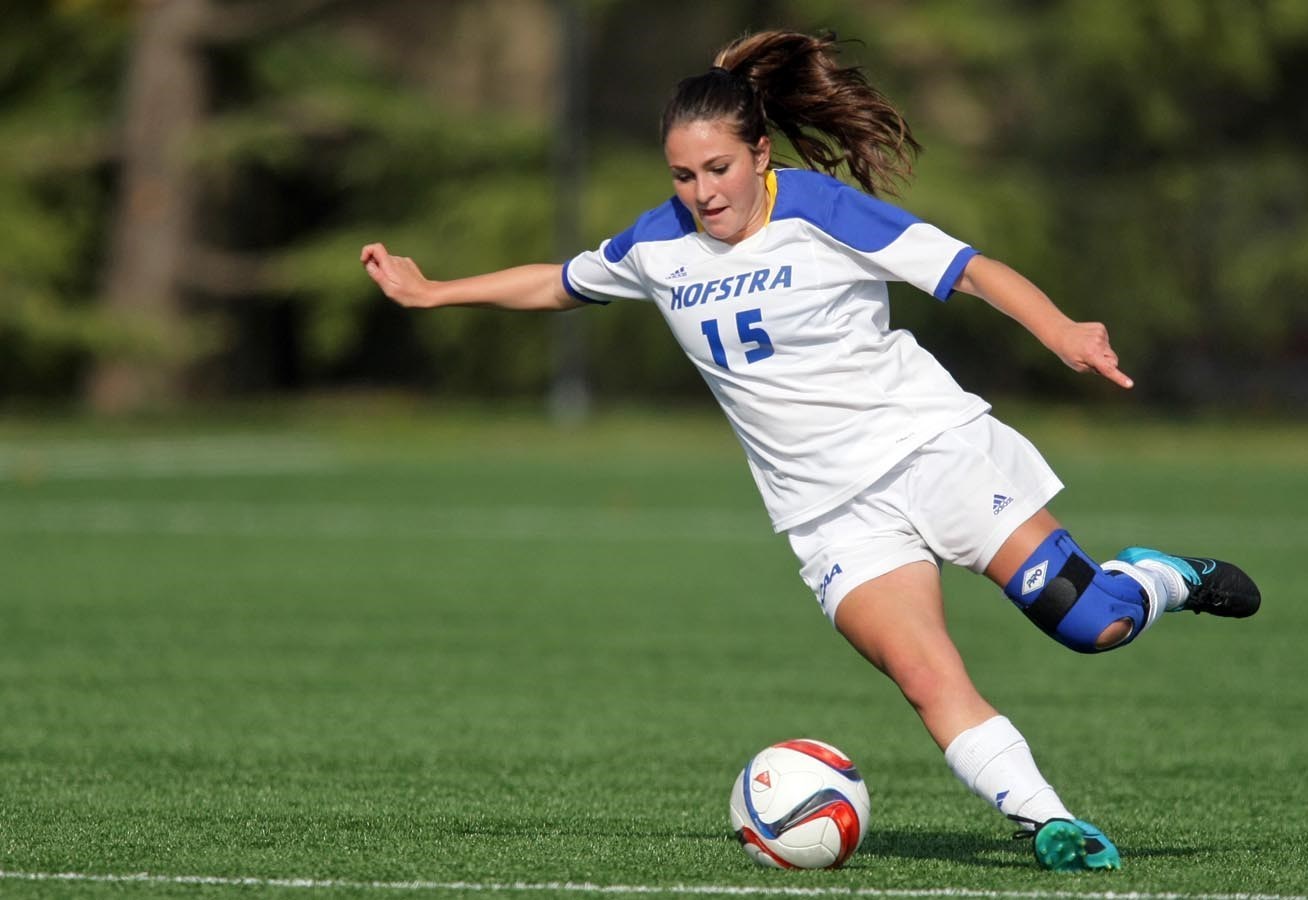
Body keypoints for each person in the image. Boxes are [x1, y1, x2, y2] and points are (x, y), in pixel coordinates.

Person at [360, 30, 1261, 873]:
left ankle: (1160, 578)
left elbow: (971, 268)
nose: (702, 192)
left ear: (760, 154)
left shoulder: (825, 210)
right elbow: (559, 283)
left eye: (718, 168)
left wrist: (1064, 331)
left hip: (931, 449)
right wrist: (432, 291)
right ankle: (1048, 819)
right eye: (682, 175)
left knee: (1090, 621)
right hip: (827, 513)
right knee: (924, 674)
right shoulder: (657, 245)